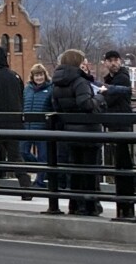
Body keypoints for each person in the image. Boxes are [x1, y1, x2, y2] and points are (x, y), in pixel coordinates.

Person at [51, 49, 106, 216]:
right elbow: (86, 104)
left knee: (74, 171)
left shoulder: (58, 83)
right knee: (90, 172)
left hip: (69, 132)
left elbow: (56, 106)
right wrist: (100, 96)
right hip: (88, 132)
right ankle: (90, 206)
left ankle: (74, 205)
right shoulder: (79, 81)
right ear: (77, 62)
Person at [0, 46, 32, 191]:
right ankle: (26, 188)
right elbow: (20, 98)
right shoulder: (15, 76)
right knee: (16, 158)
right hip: (15, 123)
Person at [100, 50, 135, 219]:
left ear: (120, 62)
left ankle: (126, 205)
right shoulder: (110, 80)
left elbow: (110, 99)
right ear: (105, 62)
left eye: (116, 60)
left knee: (123, 164)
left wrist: (104, 91)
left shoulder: (122, 77)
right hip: (114, 125)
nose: (113, 63)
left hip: (122, 125)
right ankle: (123, 206)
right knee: (119, 165)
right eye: (110, 60)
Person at [21, 64, 54, 190]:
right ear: (32, 76)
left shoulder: (50, 89)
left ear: (45, 75)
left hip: (43, 128)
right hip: (27, 127)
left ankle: (39, 181)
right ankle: (40, 169)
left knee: (43, 156)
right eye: (36, 75)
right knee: (22, 152)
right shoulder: (27, 89)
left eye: (41, 75)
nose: (39, 77)